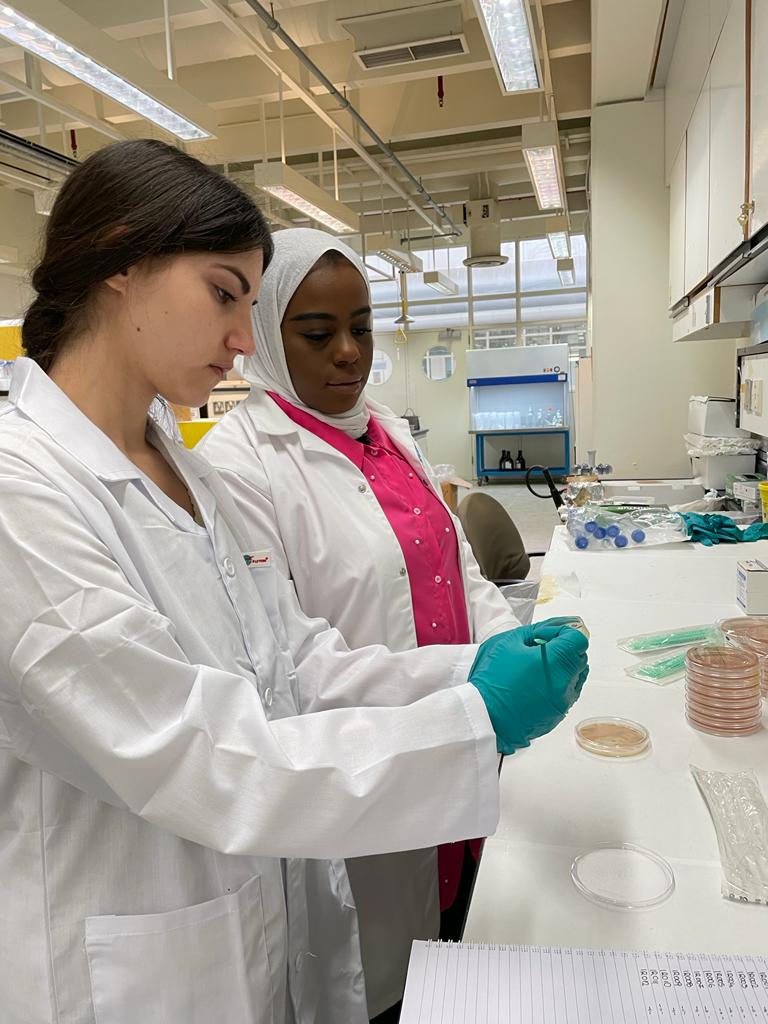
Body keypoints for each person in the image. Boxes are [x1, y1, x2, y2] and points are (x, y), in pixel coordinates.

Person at [0, 140, 589, 1024]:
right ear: (123, 261)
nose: (245, 338)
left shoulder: (178, 466)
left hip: (251, 930)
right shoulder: (22, 490)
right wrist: (475, 722)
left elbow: (294, 665)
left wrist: (463, 674)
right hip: (127, 971)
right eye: (224, 293)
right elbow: (196, 751)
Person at [199, 228, 572, 1019]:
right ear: (266, 335)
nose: (347, 353)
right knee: (391, 989)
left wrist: (511, 644)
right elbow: (295, 662)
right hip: (370, 776)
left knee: (469, 946)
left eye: (362, 328)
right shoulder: (242, 464)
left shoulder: (385, 429)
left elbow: (457, 565)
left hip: (467, 750)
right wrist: (471, 686)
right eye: (317, 332)